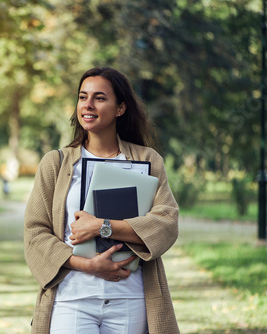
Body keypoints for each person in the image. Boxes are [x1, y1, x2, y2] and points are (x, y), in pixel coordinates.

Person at [24, 67, 179, 334]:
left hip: (130, 297)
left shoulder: (147, 160)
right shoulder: (56, 163)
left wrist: (101, 226)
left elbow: (166, 223)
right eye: (83, 97)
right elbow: (35, 233)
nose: (88, 105)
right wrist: (88, 265)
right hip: (73, 297)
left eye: (99, 97)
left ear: (120, 108)